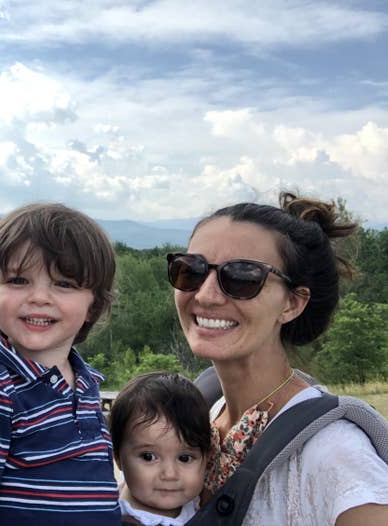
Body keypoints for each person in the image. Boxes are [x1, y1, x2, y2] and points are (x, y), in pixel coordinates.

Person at [166, 191, 388, 525]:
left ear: (292, 304)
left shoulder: (335, 453)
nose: (206, 294)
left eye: (241, 277)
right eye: (190, 270)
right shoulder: (205, 416)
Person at [0, 203, 121, 525]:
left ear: (94, 305)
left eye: (64, 284)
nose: (39, 297)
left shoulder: (87, 383)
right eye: (19, 280)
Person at [109, 372, 211, 526]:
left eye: (184, 458)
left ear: (207, 459)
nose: (169, 474)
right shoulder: (117, 520)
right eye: (148, 457)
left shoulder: (198, 504)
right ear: (118, 457)